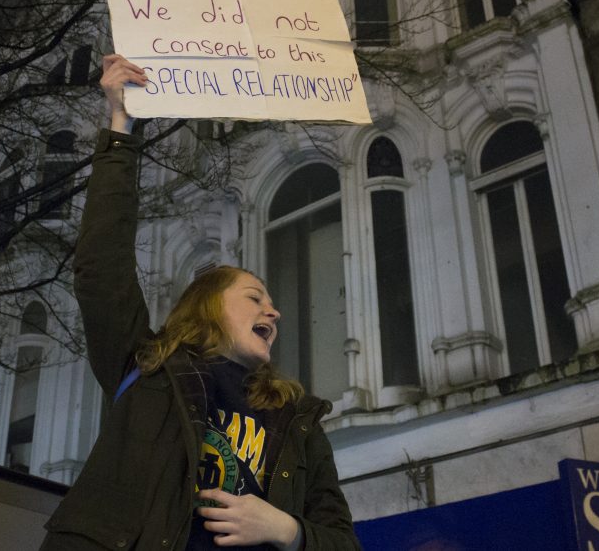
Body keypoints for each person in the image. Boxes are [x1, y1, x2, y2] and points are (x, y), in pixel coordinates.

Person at [40, 54, 361, 551]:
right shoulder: (146, 369)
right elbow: (101, 265)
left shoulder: (297, 420)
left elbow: (342, 542)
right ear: (207, 306)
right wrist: (122, 129)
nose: (273, 312)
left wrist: (285, 529)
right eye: (255, 297)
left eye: (272, 303)